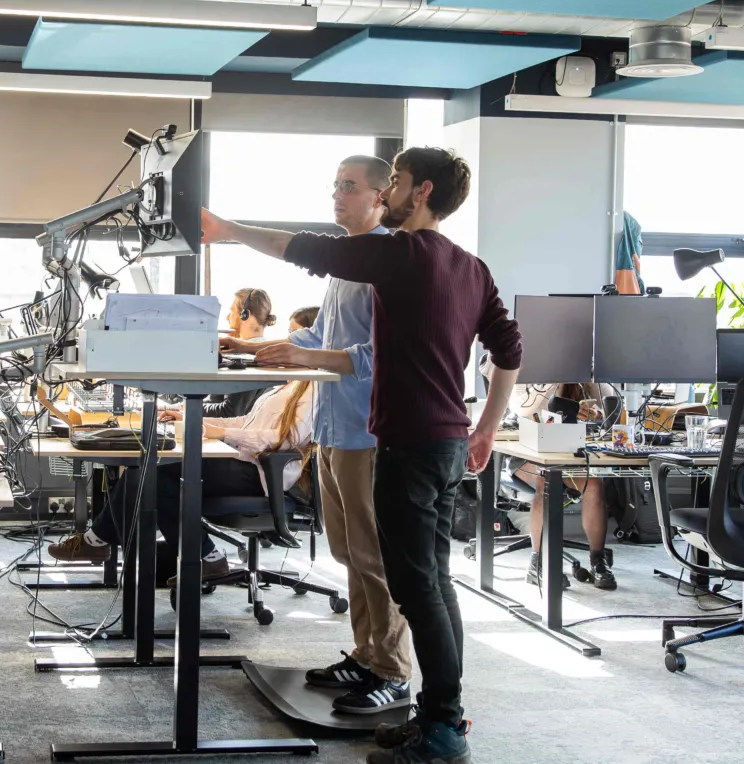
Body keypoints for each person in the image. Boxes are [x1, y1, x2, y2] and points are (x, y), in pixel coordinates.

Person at [201, 146, 522, 764]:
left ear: (419, 192)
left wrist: (230, 230)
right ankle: (439, 717)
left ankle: (440, 728)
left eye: (395, 182)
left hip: (408, 442)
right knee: (432, 584)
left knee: (414, 588)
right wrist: (483, 428)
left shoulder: (402, 254)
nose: (388, 193)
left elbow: (309, 250)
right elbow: (508, 350)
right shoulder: (470, 266)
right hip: (447, 440)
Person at [223, 154, 414, 715]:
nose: (338, 195)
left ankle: (394, 670)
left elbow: (381, 355)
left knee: (375, 554)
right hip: (332, 427)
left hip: (367, 428)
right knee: (348, 550)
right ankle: (367, 652)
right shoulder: (343, 267)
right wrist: (254, 347)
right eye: (335, 185)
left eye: (350, 187)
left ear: (382, 197)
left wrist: (305, 352)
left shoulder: (387, 264)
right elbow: (324, 338)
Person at [46, 380, 316, 583]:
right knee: (153, 477)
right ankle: (207, 558)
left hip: (258, 473)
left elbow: (283, 438)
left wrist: (218, 432)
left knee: (151, 473)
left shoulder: (315, 392)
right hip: (243, 461)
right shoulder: (287, 386)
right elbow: (246, 422)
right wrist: (192, 419)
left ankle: (97, 541)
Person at [518, 383, 618, 590]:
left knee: (593, 484)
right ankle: (538, 563)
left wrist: (596, 411)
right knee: (544, 479)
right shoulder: (529, 374)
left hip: (569, 453)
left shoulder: (585, 380)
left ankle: (598, 561)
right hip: (526, 451)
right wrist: (553, 383)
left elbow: (613, 406)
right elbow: (523, 409)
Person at [203, 287, 276, 418]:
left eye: (232, 311)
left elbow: (230, 412)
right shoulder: (253, 355)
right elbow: (215, 401)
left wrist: (187, 408)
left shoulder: (247, 360)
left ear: (245, 315)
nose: (227, 317)